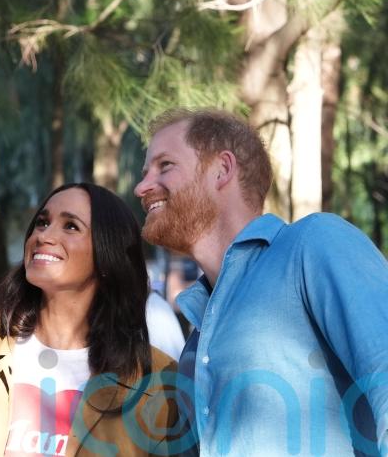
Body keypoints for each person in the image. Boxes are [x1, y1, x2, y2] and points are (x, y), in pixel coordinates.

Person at [134, 108, 388, 456]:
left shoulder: (313, 243)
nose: (142, 186)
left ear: (221, 169)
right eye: (145, 171)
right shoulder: (197, 341)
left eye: (165, 166)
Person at [0, 183, 180, 457]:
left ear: (108, 252)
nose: (44, 235)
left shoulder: (157, 379)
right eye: (41, 222)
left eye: (71, 226)